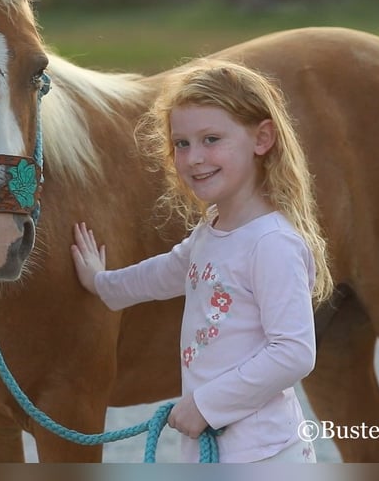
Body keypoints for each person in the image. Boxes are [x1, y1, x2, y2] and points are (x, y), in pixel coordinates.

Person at [70, 59, 333, 463]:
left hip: (264, 453)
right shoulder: (212, 232)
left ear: (262, 139)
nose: (194, 158)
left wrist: (205, 405)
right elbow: (165, 272)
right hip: (215, 445)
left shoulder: (272, 243)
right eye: (182, 143)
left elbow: (294, 351)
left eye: (211, 139)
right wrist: (102, 283)